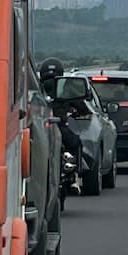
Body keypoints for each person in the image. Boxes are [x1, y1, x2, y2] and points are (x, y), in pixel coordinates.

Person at [39, 58, 83, 195]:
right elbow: (80, 104)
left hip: (40, 129)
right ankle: (75, 178)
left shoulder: (37, 87)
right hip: (58, 127)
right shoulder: (64, 87)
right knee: (76, 143)